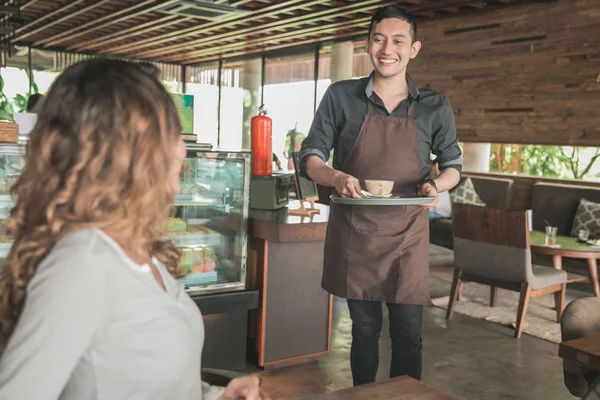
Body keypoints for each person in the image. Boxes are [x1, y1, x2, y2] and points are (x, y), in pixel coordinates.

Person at [0, 59, 262, 400]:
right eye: (170, 133)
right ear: (129, 152)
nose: (182, 151)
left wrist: (214, 395)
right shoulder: (82, 266)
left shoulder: (138, 248)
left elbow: (141, 378)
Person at [299, 5, 462, 386]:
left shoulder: (434, 106)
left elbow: (453, 165)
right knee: (363, 332)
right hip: (356, 235)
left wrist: (434, 186)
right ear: (368, 44)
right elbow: (311, 156)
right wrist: (336, 176)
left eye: (398, 41)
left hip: (408, 233)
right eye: (379, 39)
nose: (388, 49)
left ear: (414, 48)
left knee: (408, 335)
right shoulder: (341, 96)